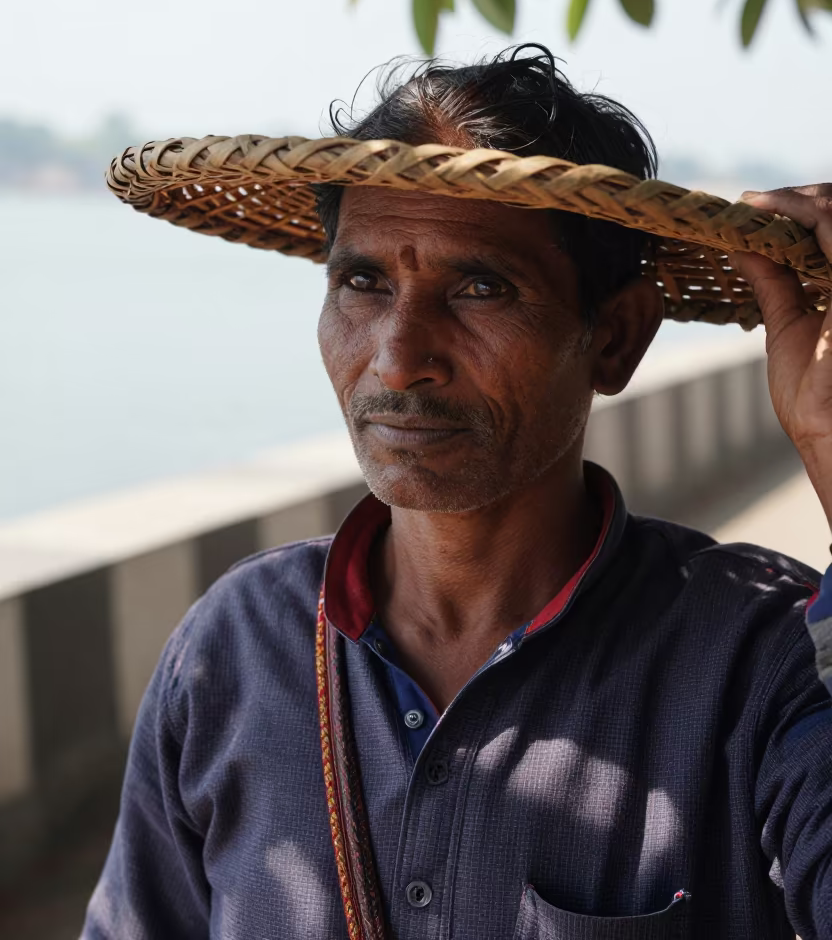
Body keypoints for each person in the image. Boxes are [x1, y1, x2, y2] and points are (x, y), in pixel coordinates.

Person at [83, 48, 832, 939]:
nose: (398, 356)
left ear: (617, 338)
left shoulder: (761, 653)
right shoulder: (236, 649)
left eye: (481, 288)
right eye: (363, 282)